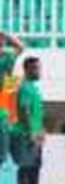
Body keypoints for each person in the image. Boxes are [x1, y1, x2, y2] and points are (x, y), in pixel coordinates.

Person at [10, 57, 44, 184]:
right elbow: (25, 111)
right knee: (25, 164)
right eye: (35, 68)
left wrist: (41, 130)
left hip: (36, 132)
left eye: (39, 67)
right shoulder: (24, 87)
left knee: (36, 164)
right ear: (27, 70)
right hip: (25, 132)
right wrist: (31, 132)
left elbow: (36, 112)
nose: (39, 71)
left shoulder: (34, 87)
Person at [0, 32, 24, 167]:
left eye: (2, 41)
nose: (1, 42)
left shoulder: (7, 56)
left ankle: (4, 157)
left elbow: (21, 47)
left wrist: (7, 35)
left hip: (6, 91)